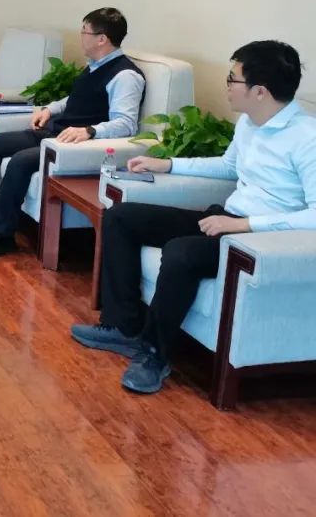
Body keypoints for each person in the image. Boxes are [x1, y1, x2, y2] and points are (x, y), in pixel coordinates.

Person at [71, 41, 316, 395]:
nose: (226, 86)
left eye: (232, 79)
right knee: (121, 217)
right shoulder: (250, 123)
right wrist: (168, 164)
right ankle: (124, 327)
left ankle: (154, 353)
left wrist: (244, 226)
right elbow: (228, 167)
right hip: (226, 218)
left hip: (257, 241)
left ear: (259, 91)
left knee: (182, 252)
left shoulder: (307, 138)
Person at [0, 8, 145, 259]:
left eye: (85, 31)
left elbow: (126, 123)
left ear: (102, 39)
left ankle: (0, 235)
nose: (81, 36)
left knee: (19, 162)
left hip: (72, 145)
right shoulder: (95, 67)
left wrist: (90, 131)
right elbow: (76, 99)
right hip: (54, 133)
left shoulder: (125, 76)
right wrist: (50, 109)